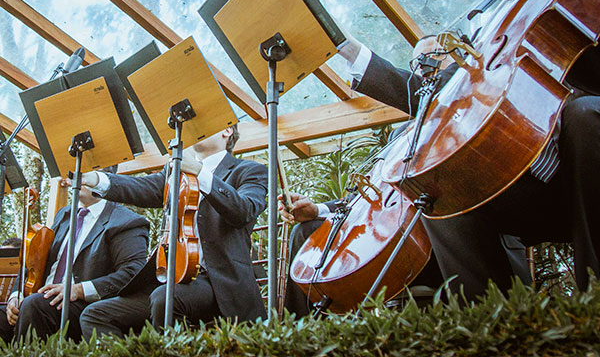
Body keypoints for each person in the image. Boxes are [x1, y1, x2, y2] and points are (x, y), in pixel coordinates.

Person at [336, 0, 600, 300]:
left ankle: (593, 297)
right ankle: (489, 320)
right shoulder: (493, 21)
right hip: (525, 174)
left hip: (581, 166)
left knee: (583, 114)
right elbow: (437, 97)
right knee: (436, 181)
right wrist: (346, 48)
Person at [280, 36, 531, 315]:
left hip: (451, 237)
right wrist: (318, 209)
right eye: (417, 64)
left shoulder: (471, 100)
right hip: (400, 239)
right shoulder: (400, 137)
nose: (424, 68)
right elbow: (370, 200)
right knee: (305, 231)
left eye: (435, 57)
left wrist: (350, 49)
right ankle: (297, 335)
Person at [78, 124, 268, 339]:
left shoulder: (250, 171)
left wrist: (200, 173)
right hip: (169, 279)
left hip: (219, 283)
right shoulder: (175, 170)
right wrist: (96, 180)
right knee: (95, 316)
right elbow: (142, 188)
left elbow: (244, 210)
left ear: (227, 131)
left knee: (165, 300)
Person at [0, 169, 149, 342]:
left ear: (103, 179)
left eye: (85, 172)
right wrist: (15, 297)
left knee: (35, 305)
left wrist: (78, 290)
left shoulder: (126, 221)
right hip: (39, 299)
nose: (73, 178)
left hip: (81, 306)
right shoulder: (64, 215)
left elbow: (132, 273)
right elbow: (31, 263)